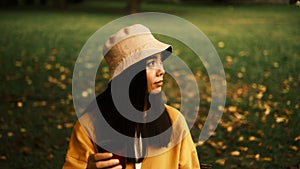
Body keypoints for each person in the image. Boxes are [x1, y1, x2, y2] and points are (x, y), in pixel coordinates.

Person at [62, 24, 200, 169]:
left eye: (161, 61)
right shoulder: (89, 126)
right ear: (129, 75)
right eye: (152, 63)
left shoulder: (174, 121)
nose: (162, 71)